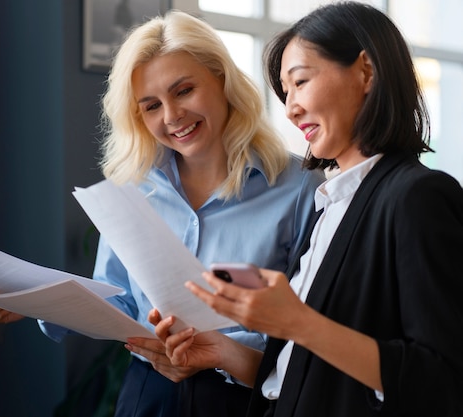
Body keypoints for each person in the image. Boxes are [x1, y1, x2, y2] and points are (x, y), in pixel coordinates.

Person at [0, 10, 325, 417]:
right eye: (151, 106)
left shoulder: (301, 187)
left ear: (223, 81)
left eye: (184, 90)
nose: (171, 117)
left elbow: (310, 325)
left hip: (247, 396)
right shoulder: (132, 188)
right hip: (147, 394)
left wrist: (224, 352)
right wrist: (33, 303)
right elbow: (116, 301)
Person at [128, 2, 463, 417]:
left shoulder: (419, 196)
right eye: (285, 93)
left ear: (366, 72)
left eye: (300, 82)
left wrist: (296, 322)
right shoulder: (333, 204)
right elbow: (301, 377)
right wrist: (224, 352)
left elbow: (442, 380)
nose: (290, 109)